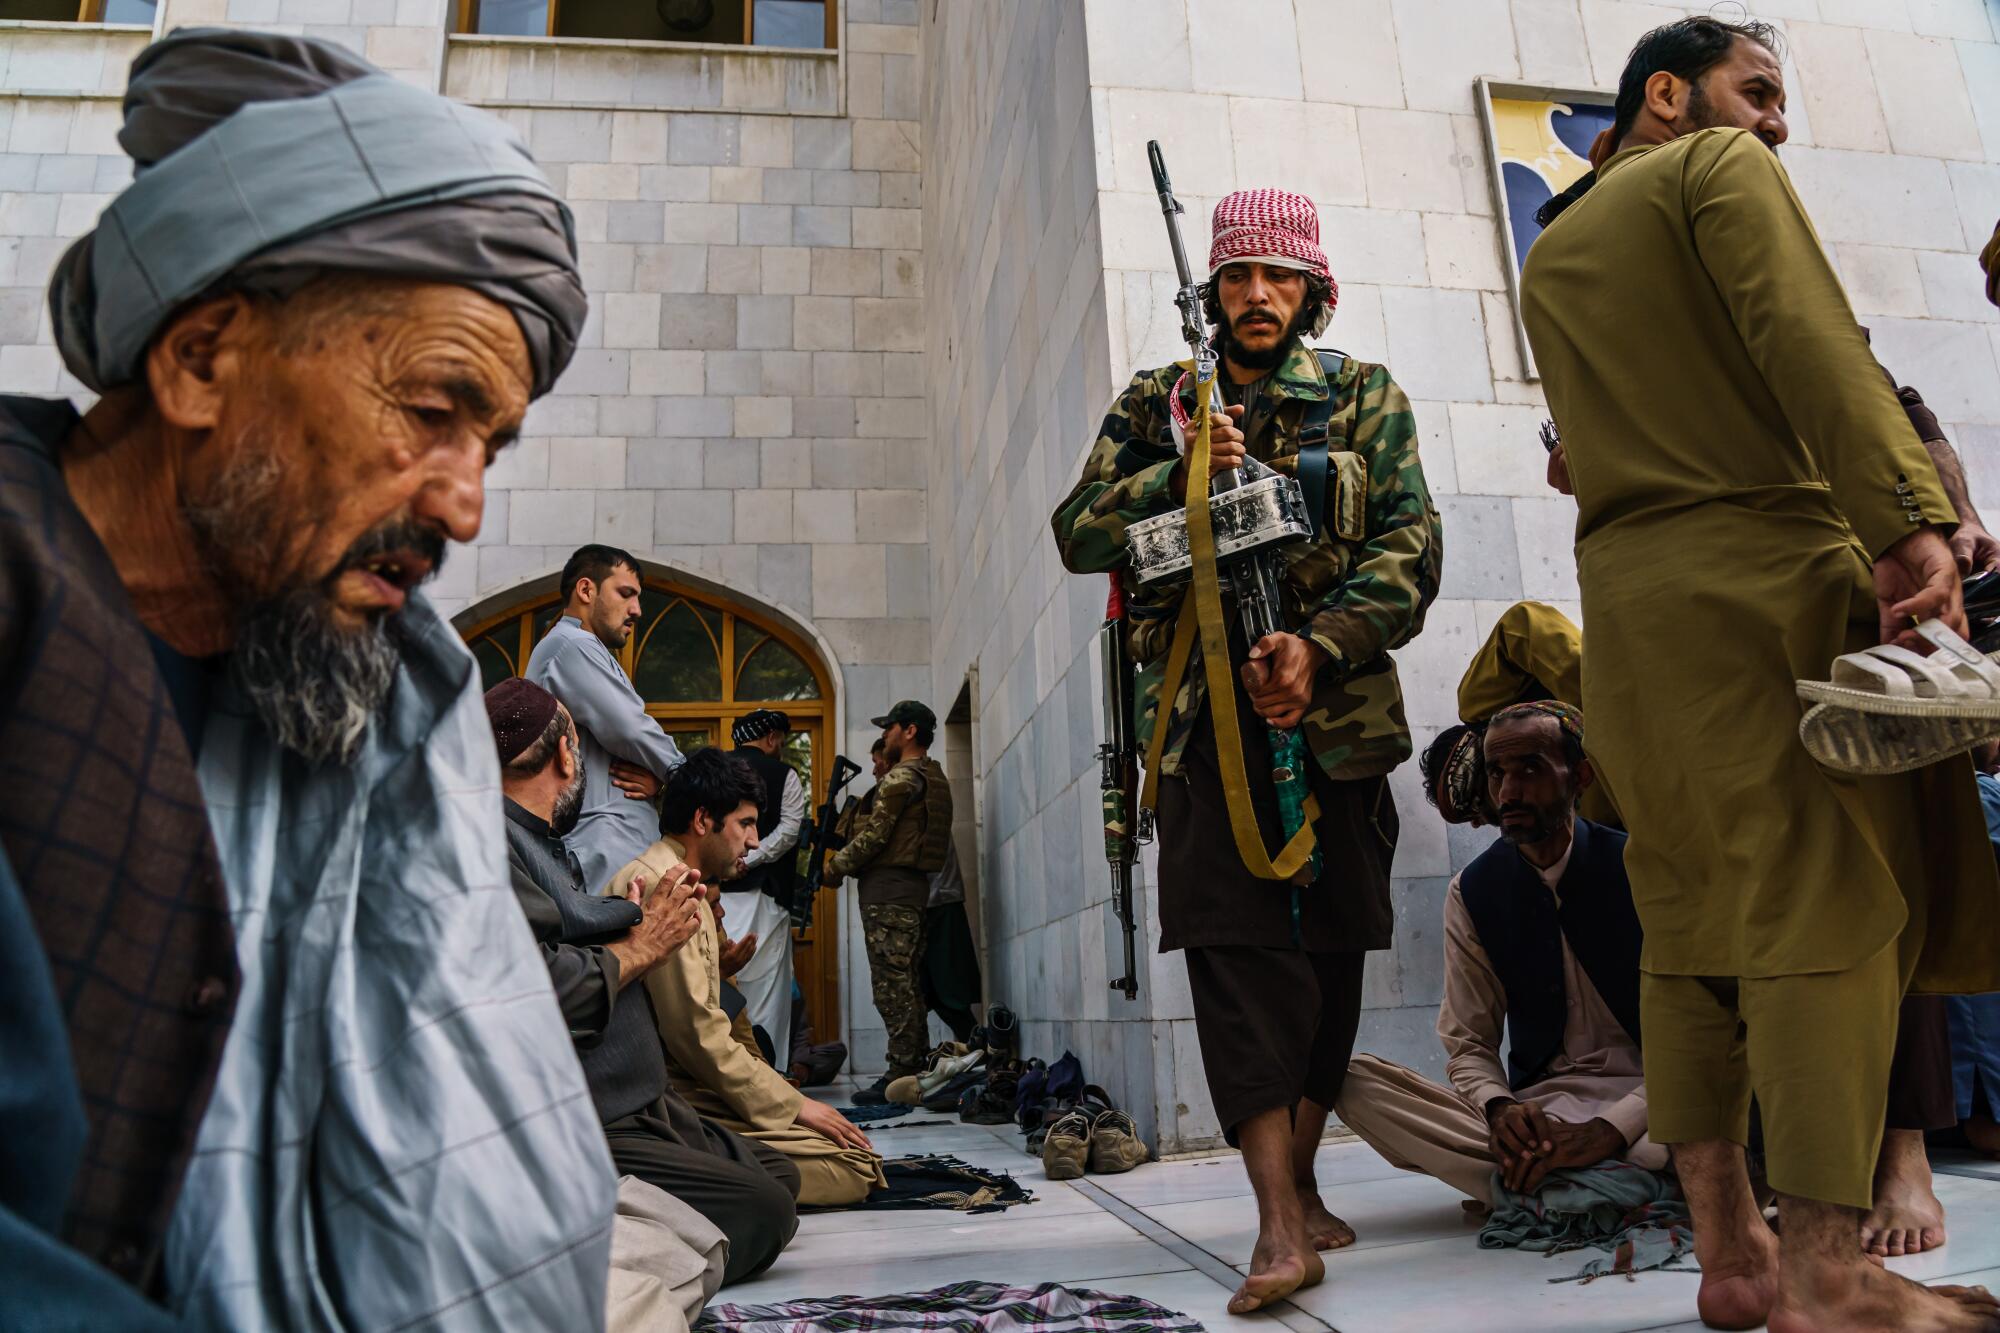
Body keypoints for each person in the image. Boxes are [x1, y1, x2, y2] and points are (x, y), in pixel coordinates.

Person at [0, 27, 616, 1330]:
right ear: (203, 359)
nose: (463, 506)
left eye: (492, 446)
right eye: (433, 409)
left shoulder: (352, 695)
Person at [1520, 16, 2000, 1331]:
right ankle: (1834, 1273)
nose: (1779, 121)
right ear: (1668, 94)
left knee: (1683, 926)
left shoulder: (1552, 258)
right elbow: (1811, 343)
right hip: (1768, 584)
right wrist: (1913, 522)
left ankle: (1733, 1248)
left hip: (1632, 618)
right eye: (1761, 89)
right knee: (1826, 911)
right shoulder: (1717, 174)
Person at [1051, 186, 1441, 1314]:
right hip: (1195, 729)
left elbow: (1409, 547)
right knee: (1231, 957)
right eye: (1235, 276)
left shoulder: (1360, 396)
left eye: (1276, 275)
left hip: (1336, 723)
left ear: (1311, 286)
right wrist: (1175, 472)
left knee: (1330, 955)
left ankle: (1302, 1182)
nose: (1255, 295)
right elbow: (1077, 531)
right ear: (1210, 294)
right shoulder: (1163, 399)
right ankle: (1276, 1220)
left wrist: (1315, 648)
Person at [1462, 602, 1959, 1258]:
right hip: (1677, 860)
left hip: (1775, 797)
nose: (1501, 796)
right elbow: (1518, 631)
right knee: (1697, 1002)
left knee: (1881, 904)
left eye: (1515, 771)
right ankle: (1721, 1204)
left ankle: (1903, 1161)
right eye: (1494, 778)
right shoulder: (1589, 740)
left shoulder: (1691, 685)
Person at [488, 679, 801, 1286]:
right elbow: (537, 987)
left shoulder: (541, 842)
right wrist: (645, 944)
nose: (752, 841)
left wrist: (644, 933)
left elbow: (565, 937)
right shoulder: (490, 846)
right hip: (593, 1119)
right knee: (767, 1210)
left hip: (648, 1101)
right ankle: (579, 1226)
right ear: (563, 756)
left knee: (781, 1176)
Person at [1339, 703, 1663, 1206]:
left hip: (1657, 1101)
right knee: (1351, 1080)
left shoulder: (1642, 867)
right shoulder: (1473, 891)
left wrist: (1613, 1128)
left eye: (1530, 769)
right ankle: (1576, 1177)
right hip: (1545, 1111)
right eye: (1496, 774)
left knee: (1714, 1117)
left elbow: (1704, 1031)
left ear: (1579, 775)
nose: (1509, 792)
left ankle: (1548, 1182)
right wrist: (1499, 1111)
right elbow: (1469, 1044)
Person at [614, 749, 888, 1206]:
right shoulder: (667, 887)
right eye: (746, 823)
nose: (756, 841)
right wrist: (794, 1106)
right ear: (703, 820)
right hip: (668, 1101)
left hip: (688, 1087)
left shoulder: (684, 882)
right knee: (847, 1169)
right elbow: (696, 1036)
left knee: (852, 1158)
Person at [528, 543, 686, 897]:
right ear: (586, 590)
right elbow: (630, 729)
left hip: (614, 849)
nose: (637, 610)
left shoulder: (577, 646)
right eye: (626, 594)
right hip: (604, 852)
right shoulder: (571, 645)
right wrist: (685, 776)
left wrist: (660, 783)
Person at [821, 702, 954, 1105]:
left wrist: (834, 867)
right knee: (907, 984)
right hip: (907, 890)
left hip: (890, 892)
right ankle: (915, 1070)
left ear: (909, 731)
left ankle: (902, 1071)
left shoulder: (902, 778)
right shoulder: (930, 774)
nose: (886, 735)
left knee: (892, 988)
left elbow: (876, 836)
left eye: (891, 727)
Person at [729, 708, 806, 1063]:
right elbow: (789, 831)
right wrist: (751, 859)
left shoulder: (714, 769)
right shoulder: (784, 774)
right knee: (766, 991)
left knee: (722, 988)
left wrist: (727, 863)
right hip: (767, 897)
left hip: (714, 898)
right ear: (772, 738)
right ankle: (769, 1073)